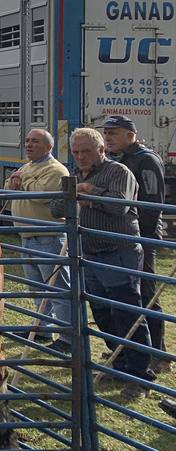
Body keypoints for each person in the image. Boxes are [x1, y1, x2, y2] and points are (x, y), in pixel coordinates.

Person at [50, 127, 153, 398]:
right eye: (75, 152)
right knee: (102, 312)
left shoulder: (118, 173)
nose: (81, 157)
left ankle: (141, 376)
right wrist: (76, 193)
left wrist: (89, 191)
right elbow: (57, 208)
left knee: (127, 311)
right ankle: (119, 365)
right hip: (90, 254)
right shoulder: (73, 176)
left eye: (86, 151)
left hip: (119, 251)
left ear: (101, 150)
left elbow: (119, 205)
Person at [103, 115, 169, 374]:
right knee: (125, 295)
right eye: (106, 133)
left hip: (142, 237)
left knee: (147, 293)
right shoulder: (116, 161)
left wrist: (143, 238)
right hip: (122, 238)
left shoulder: (146, 160)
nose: (108, 137)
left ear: (131, 134)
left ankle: (159, 354)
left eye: (114, 133)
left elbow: (152, 202)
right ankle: (130, 347)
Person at [7, 129, 71, 346]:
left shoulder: (55, 170)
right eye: (27, 141)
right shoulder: (29, 167)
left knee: (57, 290)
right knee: (36, 289)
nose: (29, 145)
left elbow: (42, 194)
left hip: (49, 237)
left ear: (48, 146)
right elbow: (10, 185)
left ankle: (68, 338)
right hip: (28, 236)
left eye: (34, 141)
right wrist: (21, 180)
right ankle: (42, 329)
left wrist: (22, 180)